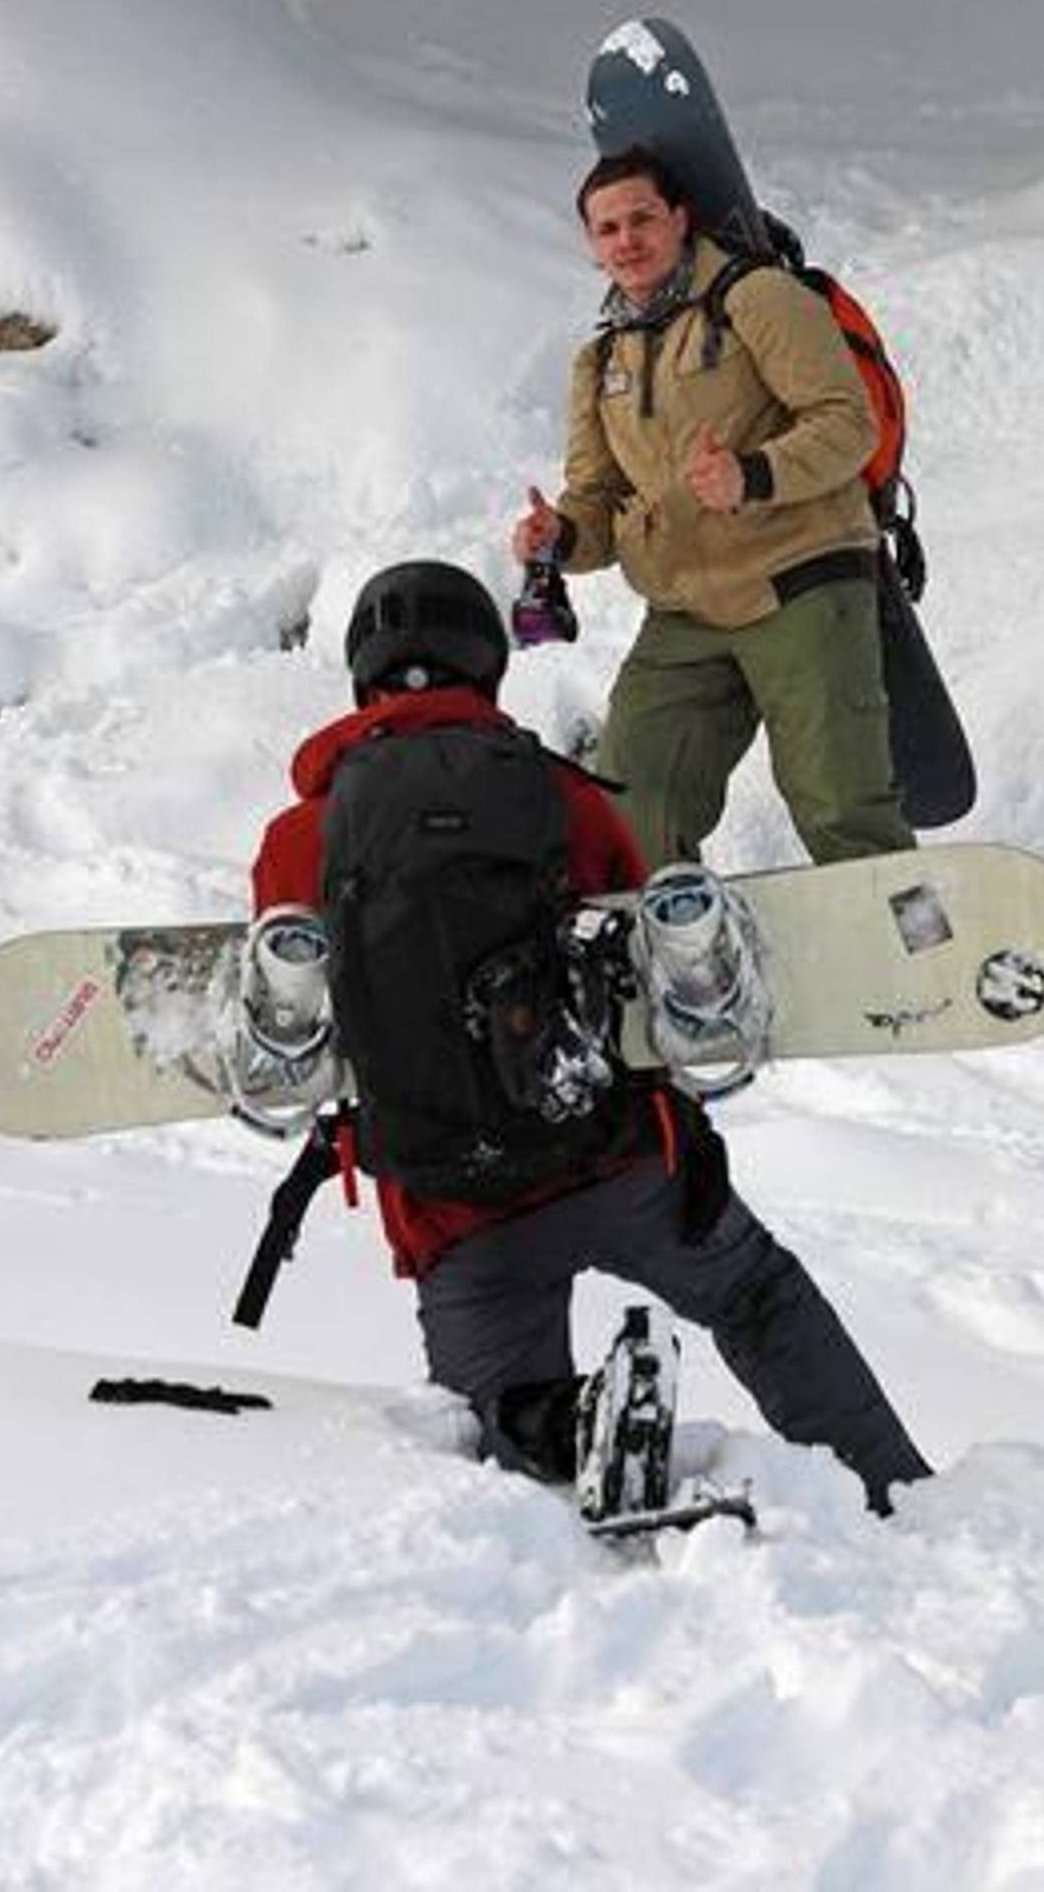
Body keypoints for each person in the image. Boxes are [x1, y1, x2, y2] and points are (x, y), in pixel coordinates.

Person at [249, 557, 931, 1512]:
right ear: (487, 665)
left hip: (456, 1210)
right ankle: (894, 1495)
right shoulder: (564, 799)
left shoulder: (298, 841)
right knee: (757, 1297)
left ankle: (573, 1428)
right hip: (616, 1163)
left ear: (364, 672)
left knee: (500, 1439)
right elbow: (641, 969)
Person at [513, 146, 913, 872]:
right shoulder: (599, 362)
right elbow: (597, 499)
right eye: (607, 229)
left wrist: (752, 476)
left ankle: (910, 939)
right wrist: (559, 536)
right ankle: (677, 935)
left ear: (680, 218)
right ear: (591, 245)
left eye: (642, 219)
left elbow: (847, 422)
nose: (627, 241)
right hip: (687, 608)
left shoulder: (757, 298)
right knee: (631, 809)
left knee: (840, 807)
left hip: (800, 581)